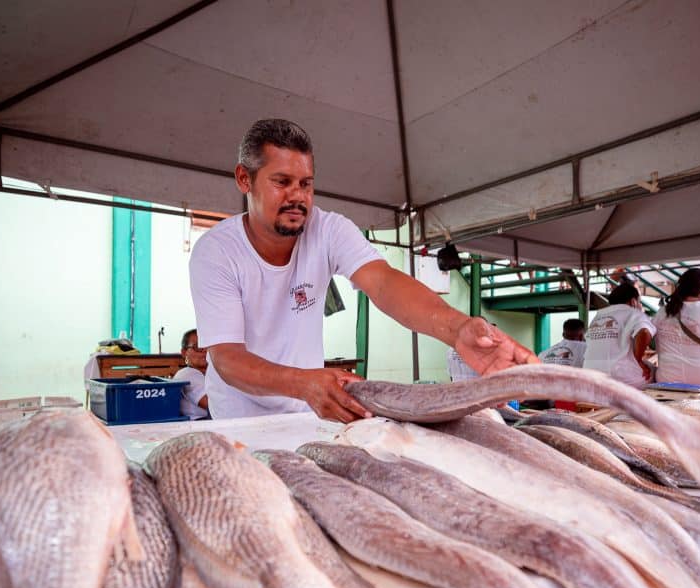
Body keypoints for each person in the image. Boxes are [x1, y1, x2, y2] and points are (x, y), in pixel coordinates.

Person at [190, 119, 537, 421]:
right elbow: (227, 359)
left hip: (308, 413)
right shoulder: (217, 251)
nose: (298, 196)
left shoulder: (329, 229)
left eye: (306, 184)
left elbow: (385, 283)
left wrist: (459, 329)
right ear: (244, 179)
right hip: (238, 419)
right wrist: (305, 383)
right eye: (282, 182)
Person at [582, 284, 655, 387]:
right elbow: (644, 332)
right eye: (639, 302)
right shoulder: (634, 313)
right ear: (633, 301)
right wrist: (638, 360)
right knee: (653, 371)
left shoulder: (597, 317)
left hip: (590, 376)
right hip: (620, 378)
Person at [171, 329, 209, 419]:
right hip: (199, 426)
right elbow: (210, 404)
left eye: (207, 346)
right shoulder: (187, 374)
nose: (204, 351)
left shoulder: (212, 374)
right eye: (198, 347)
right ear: (184, 353)